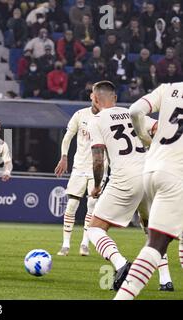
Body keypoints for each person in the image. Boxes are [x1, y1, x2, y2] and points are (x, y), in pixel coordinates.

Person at [86, 80, 172, 292]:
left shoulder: (96, 120)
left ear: (95, 99)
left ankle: (121, 264)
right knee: (151, 227)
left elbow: (98, 160)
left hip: (125, 177)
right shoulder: (133, 113)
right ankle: (165, 280)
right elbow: (159, 129)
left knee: (95, 229)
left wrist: (96, 186)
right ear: (114, 98)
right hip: (150, 174)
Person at [114, 82, 183, 299]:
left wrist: (143, 135)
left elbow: (134, 110)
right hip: (177, 174)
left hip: (152, 170)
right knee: (157, 245)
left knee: (158, 241)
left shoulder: (169, 88)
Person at [54, 101, 101, 257]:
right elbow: (67, 137)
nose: (98, 100)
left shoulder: (108, 117)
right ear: (92, 97)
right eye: (95, 97)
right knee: (72, 204)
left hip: (98, 168)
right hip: (79, 167)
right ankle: (66, 245)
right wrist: (64, 157)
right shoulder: (80, 114)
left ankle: (84, 244)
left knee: (92, 204)